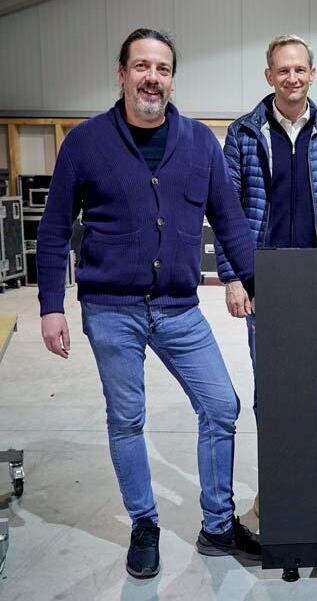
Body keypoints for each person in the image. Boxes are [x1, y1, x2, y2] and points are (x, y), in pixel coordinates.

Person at [36, 28, 261, 580]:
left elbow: (230, 222)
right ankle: (144, 524)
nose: (152, 78)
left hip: (179, 308)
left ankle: (217, 525)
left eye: (162, 68)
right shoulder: (86, 142)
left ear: (172, 79)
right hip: (111, 310)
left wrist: (263, 284)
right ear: (122, 74)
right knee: (127, 419)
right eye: (141, 66)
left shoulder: (200, 143)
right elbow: (55, 227)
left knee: (221, 406)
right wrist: (50, 304)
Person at [216, 35, 317, 516]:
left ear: (312, 75)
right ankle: (280, 484)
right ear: (269, 76)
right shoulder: (244, 133)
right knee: (274, 391)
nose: (292, 77)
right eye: (283, 70)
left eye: (300, 69)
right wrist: (234, 278)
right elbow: (226, 210)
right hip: (267, 284)